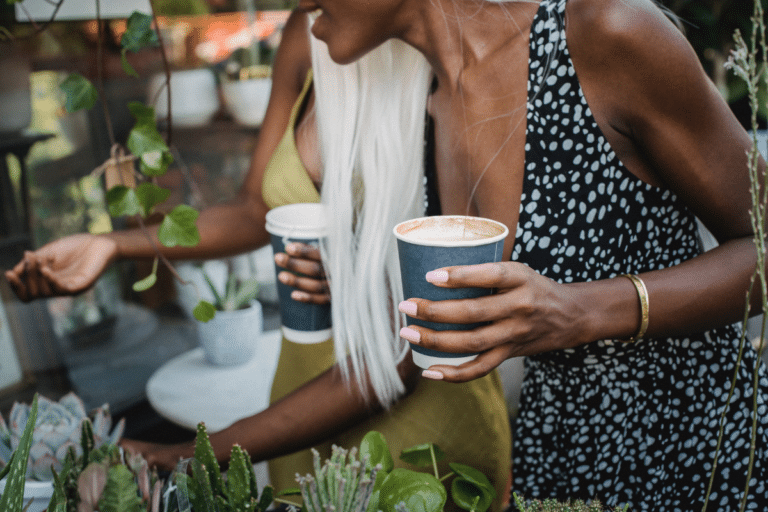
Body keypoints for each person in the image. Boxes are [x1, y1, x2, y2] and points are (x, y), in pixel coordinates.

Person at [3, 6, 512, 511]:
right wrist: (113, 246)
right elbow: (255, 210)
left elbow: (407, 354)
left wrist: (182, 455)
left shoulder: (468, 76)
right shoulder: (312, 32)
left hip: (418, 439)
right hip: (294, 411)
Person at [293, 0, 764, 509]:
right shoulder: (426, 103)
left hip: (696, 450)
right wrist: (361, 286)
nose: (301, 5)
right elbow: (429, 335)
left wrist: (581, 311)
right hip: (554, 455)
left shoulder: (605, 32)